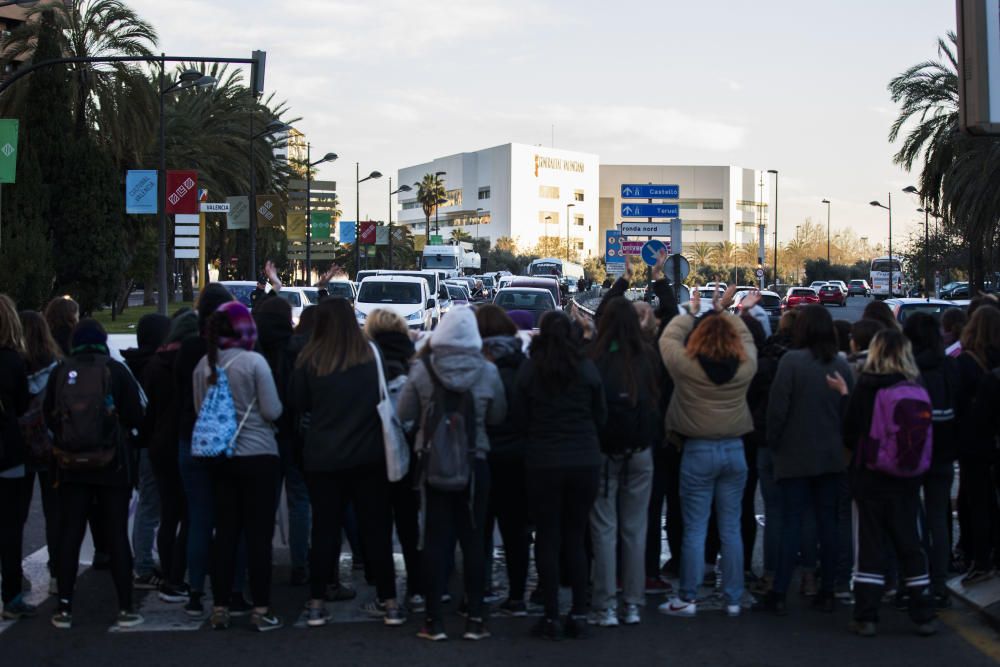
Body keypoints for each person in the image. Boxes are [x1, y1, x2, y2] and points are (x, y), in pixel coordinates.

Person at [291, 298, 405, 629]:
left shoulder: (310, 358)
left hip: (323, 457)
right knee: (376, 530)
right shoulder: (371, 355)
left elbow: (297, 403)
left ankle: (315, 603)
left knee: (324, 530)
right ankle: (390, 601)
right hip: (369, 455)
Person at [398, 307, 506, 642]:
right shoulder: (487, 371)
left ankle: (434, 620)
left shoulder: (422, 370)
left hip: (432, 465)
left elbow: (403, 413)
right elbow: (499, 415)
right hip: (475, 465)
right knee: (473, 542)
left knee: (434, 540)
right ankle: (475, 618)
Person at [657, 286, 757, 618]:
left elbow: (667, 340)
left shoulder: (686, 367)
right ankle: (733, 598)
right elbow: (750, 343)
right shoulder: (744, 368)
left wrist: (689, 313)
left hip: (697, 450)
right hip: (734, 450)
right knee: (730, 528)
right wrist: (732, 313)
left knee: (695, 527)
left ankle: (687, 596)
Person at [836, 329, 936, 637]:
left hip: (871, 475)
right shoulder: (916, 386)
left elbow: (851, 431)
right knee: (910, 545)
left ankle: (867, 615)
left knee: (871, 545)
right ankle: (923, 614)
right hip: (908, 477)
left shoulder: (867, 387)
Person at [44, 319, 144, 630]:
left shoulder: (62, 371)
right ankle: (125, 607)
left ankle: (64, 606)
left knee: (70, 531)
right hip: (112, 463)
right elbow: (136, 414)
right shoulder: (115, 370)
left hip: (71, 465)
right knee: (115, 534)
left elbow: (50, 414)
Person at [512, 310, 606, 640]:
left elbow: (519, 417)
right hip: (584, 460)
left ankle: (550, 614)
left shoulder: (531, 369)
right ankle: (579, 611)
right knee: (576, 538)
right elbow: (600, 414)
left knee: (547, 539)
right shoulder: (585, 367)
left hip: (543, 461)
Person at [193, 301, 283, 632]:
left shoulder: (204, 365)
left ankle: (219, 607)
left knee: (225, 533)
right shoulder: (254, 362)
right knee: (258, 537)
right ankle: (261, 607)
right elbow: (272, 411)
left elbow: (198, 410)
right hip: (259, 456)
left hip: (220, 458)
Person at [759, 305, 854, 615]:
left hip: (794, 456)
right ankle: (827, 589)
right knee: (828, 524)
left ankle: (780, 590)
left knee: (791, 524)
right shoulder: (841, 365)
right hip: (831, 457)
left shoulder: (792, 363)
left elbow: (777, 411)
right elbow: (848, 413)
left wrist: (775, 443)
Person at [588, 297, 660, 627]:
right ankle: (633, 603)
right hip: (640, 451)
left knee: (604, 529)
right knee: (635, 529)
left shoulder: (597, 358)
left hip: (604, 452)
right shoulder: (647, 356)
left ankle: (605, 606)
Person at [175, 283, 240, 617]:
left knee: (199, 518)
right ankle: (232, 589)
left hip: (192, 437)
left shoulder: (188, 349)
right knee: (231, 519)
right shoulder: (235, 350)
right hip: (227, 439)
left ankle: (195, 590)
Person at [365, 308, 423, 612]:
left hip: (376, 453)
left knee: (379, 527)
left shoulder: (365, 360)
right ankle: (417, 589)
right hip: (409, 451)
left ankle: (385, 595)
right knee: (409, 524)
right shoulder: (415, 360)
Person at [475, 305, 530, 617]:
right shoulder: (523, 363)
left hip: (482, 455)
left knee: (479, 529)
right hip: (518, 458)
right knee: (516, 531)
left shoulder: (476, 366)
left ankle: (479, 589)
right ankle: (518, 594)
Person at [254, 297, 311, 588]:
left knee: (262, 506)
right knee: (300, 500)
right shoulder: (298, 348)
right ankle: (300, 564)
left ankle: (259, 563)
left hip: (262, 435)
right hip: (295, 433)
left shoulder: (254, 349)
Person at [142, 310, 198, 605]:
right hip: (185, 440)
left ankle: (168, 576)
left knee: (169, 515)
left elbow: (148, 411)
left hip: (159, 444)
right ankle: (179, 575)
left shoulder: (156, 363)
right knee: (190, 516)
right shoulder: (192, 362)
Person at [903, 312, 959, 608]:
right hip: (944, 451)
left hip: (912, 452)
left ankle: (915, 581)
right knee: (939, 519)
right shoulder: (949, 365)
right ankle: (940, 584)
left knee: (912, 520)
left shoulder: (908, 369)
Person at [122, 314, 170, 591]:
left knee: (147, 506)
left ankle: (142, 560)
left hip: (138, 443)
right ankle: (143, 565)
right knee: (154, 505)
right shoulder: (159, 366)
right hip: (157, 441)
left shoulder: (130, 365)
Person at [751, 309, 797, 597]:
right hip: (801, 444)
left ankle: (771, 575)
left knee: (775, 512)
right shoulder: (819, 359)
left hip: (769, 440)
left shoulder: (765, 359)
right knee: (801, 514)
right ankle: (807, 576)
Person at [17, 310, 63, 598]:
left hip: (16, 450)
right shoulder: (56, 366)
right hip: (51, 448)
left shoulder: (11, 364)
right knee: (55, 513)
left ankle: (13, 574)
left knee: (14, 517)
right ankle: (58, 571)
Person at [953, 306, 1000, 585]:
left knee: (978, 501)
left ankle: (981, 558)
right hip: (995, 439)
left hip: (974, 442)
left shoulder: (966, 363)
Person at [0, 295, 36, 621]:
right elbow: (24, 407)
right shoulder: (13, 361)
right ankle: (10, 595)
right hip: (8, 452)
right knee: (11, 526)